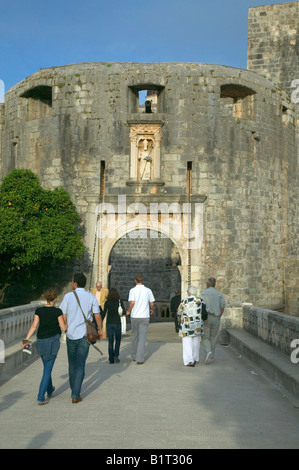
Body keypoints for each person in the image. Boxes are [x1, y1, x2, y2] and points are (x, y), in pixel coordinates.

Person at [60, 273, 103, 403]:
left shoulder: (68, 297)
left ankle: (74, 388)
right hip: (85, 335)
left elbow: (62, 313)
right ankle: (75, 393)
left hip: (71, 334)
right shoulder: (91, 297)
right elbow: (97, 316)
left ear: (75, 283)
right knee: (80, 364)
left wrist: (65, 326)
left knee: (72, 363)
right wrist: (100, 329)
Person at [21, 288, 67, 405]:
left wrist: (26, 339)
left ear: (46, 298)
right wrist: (66, 321)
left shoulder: (39, 311)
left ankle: (50, 389)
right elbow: (64, 328)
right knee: (47, 369)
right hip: (52, 342)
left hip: (41, 341)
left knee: (47, 366)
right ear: (55, 299)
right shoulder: (57, 311)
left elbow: (33, 326)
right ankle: (41, 397)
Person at [126, 273, 155, 365]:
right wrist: (151, 309)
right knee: (142, 337)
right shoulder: (148, 290)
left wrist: (129, 310)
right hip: (145, 316)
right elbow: (152, 302)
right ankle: (140, 358)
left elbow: (132, 302)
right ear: (142, 280)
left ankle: (134, 355)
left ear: (135, 280)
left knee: (135, 335)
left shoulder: (132, 290)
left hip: (135, 316)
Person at [177, 286, 207, 367]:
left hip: (187, 325)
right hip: (197, 324)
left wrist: (179, 318)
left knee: (187, 342)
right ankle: (195, 358)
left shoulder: (184, 301)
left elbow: (179, 311)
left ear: (189, 293)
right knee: (196, 342)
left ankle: (190, 360)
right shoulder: (201, 300)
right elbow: (204, 311)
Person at [200, 277, 226, 364]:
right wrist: (218, 316)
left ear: (207, 284)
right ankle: (211, 356)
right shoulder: (219, 294)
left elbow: (200, 305)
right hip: (216, 317)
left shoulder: (203, 293)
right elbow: (222, 307)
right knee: (213, 337)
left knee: (205, 337)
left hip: (207, 317)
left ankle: (208, 352)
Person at [102, 288, 125, 364]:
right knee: (118, 340)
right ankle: (116, 355)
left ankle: (111, 359)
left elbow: (103, 314)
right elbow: (123, 312)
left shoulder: (107, 303)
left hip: (109, 323)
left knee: (110, 341)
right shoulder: (119, 302)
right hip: (117, 323)